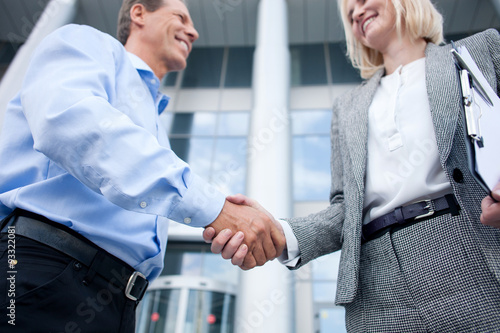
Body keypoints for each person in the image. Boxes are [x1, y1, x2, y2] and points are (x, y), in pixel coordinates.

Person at [204, 0, 500, 331]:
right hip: (375, 280)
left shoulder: (479, 52)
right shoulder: (348, 107)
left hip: (469, 247)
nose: (356, 12)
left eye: (362, 1)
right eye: (349, 13)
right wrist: (280, 233)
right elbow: (345, 207)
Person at [0, 0, 285, 331]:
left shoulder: (156, 127)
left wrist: (225, 224)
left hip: (117, 303)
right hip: (44, 272)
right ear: (138, 13)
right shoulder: (85, 44)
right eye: (180, 16)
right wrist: (216, 209)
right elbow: (70, 123)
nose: (193, 31)